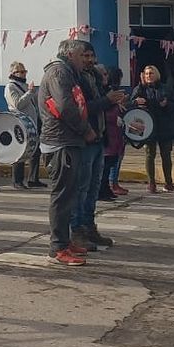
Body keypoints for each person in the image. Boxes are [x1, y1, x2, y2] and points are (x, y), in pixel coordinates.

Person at [39, 39, 99, 267]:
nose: (85, 60)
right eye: (82, 55)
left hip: (68, 141)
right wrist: (86, 130)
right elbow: (65, 107)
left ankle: (64, 241)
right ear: (70, 54)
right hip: (60, 143)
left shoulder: (68, 72)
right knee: (62, 197)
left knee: (70, 196)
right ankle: (58, 247)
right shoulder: (58, 73)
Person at [72, 47, 125, 253]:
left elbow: (103, 104)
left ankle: (89, 226)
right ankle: (77, 230)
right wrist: (107, 100)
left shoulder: (94, 77)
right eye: (84, 56)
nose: (89, 60)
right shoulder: (74, 78)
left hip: (99, 138)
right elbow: (83, 107)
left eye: (92, 56)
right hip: (86, 138)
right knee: (81, 188)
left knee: (93, 188)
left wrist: (114, 100)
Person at [132, 64, 174, 193]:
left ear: (156, 74)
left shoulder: (166, 89)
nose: (149, 76)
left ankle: (168, 182)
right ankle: (151, 183)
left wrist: (166, 105)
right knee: (149, 155)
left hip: (164, 126)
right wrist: (137, 100)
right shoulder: (140, 89)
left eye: (151, 73)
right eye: (146, 74)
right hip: (148, 126)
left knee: (166, 155)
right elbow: (131, 103)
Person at [5, 61, 44, 189]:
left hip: (31, 122)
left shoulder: (23, 85)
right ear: (13, 73)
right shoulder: (11, 87)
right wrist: (29, 93)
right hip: (19, 122)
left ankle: (33, 178)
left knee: (35, 150)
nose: (23, 74)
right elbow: (17, 104)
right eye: (21, 72)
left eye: (24, 71)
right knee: (20, 151)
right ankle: (17, 180)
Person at [100, 66, 127, 199]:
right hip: (107, 133)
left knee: (111, 161)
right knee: (105, 164)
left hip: (115, 133)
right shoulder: (102, 93)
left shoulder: (109, 91)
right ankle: (103, 189)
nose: (106, 77)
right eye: (103, 75)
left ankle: (106, 189)